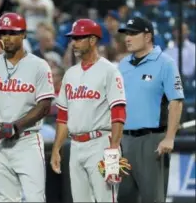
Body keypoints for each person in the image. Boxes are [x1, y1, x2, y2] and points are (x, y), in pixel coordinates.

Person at [0, 12, 55, 202]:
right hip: (1, 143)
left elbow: (44, 106)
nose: (6, 37)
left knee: (35, 199)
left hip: (28, 141)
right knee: (5, 200)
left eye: (12, 32)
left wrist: (15, 126)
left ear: (23, 34)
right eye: (2, 33)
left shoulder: (39, 65)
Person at [50, 19, 128, 202]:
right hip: (76, 146)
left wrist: (114, 149)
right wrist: (56, 149)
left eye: (78, 38)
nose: (73, 43)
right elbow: (62, 116)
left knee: (105, 199)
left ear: (93, 40)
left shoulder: (109, 71)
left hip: (101, 143)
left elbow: (118, 112)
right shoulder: (70, 74)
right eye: (73, 38)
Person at [116, 16, 184, 203]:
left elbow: (176, 102)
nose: (127, 38)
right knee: (121, 196)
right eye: (126, 34)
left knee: (152, 198)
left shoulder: (165, 63)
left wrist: (169, 137)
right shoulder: (122, 65)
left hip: (151, 140)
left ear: (148, 37)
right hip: (123, 141)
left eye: (133, 34)